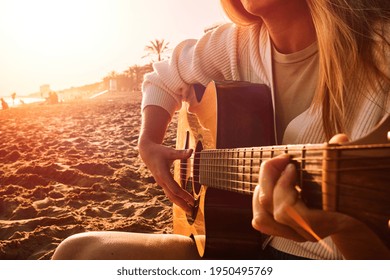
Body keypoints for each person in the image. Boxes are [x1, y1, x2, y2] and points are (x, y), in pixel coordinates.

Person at [52, 0, 390, 260]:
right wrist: (149, 142)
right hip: (232, 246)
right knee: (77, 254)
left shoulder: (380, 56)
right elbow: (163, 79)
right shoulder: (236, 43)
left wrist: (346, 228)